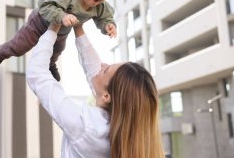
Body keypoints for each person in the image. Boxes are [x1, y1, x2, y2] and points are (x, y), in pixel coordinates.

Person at [26, 23, 165, 158]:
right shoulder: (129, 134)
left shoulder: (85, 125)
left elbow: (37, 73)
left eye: (105, 70)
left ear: (106, 96)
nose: (102, 65)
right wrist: (79, 28)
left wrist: (53, 27)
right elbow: (97, 76)